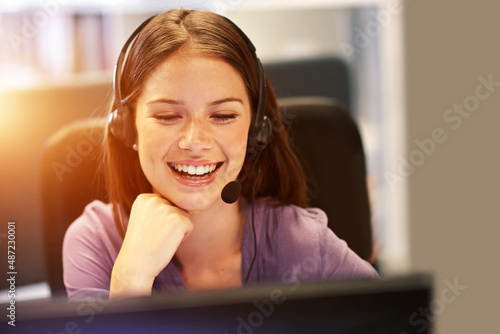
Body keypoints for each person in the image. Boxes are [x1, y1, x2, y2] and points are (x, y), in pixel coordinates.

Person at [63, 8, 378, 301]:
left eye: (224, 116)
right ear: (128, 130)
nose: (195, 142)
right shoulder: (96, 242)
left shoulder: (302, 243)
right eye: (168, 116)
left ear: (256, 132)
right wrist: (130, 282)